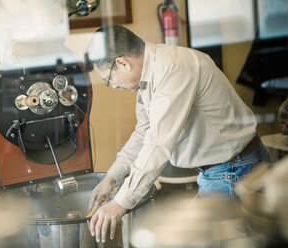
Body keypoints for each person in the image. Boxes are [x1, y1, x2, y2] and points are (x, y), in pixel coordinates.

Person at [86, 24, 270, 243]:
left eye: (109, 80)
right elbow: (144, 131)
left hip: (234, 171)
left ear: (122, 63)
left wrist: (120, 204)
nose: (113, 86)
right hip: (220, 171)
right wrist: (111, 177)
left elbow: (158, 144)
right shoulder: (152, 73)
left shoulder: (173, 69)